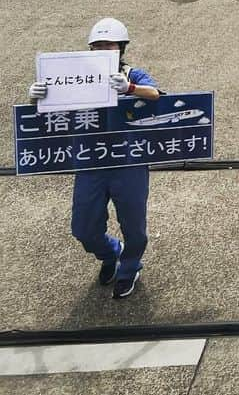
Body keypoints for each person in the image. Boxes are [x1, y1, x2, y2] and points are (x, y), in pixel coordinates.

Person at [28, 18, 162, 299]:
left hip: (128, 163)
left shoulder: (132, 75)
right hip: (90, 161)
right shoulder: (74, 75)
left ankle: (129, 269)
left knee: (134, 227)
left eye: (109, 44)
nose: (103, 48)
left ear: (121, 48)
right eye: (97, 45)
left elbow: (156, 95)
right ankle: (112, 252)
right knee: (83, 229)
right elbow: (48, 110)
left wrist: (129, 89)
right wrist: (36, 98)